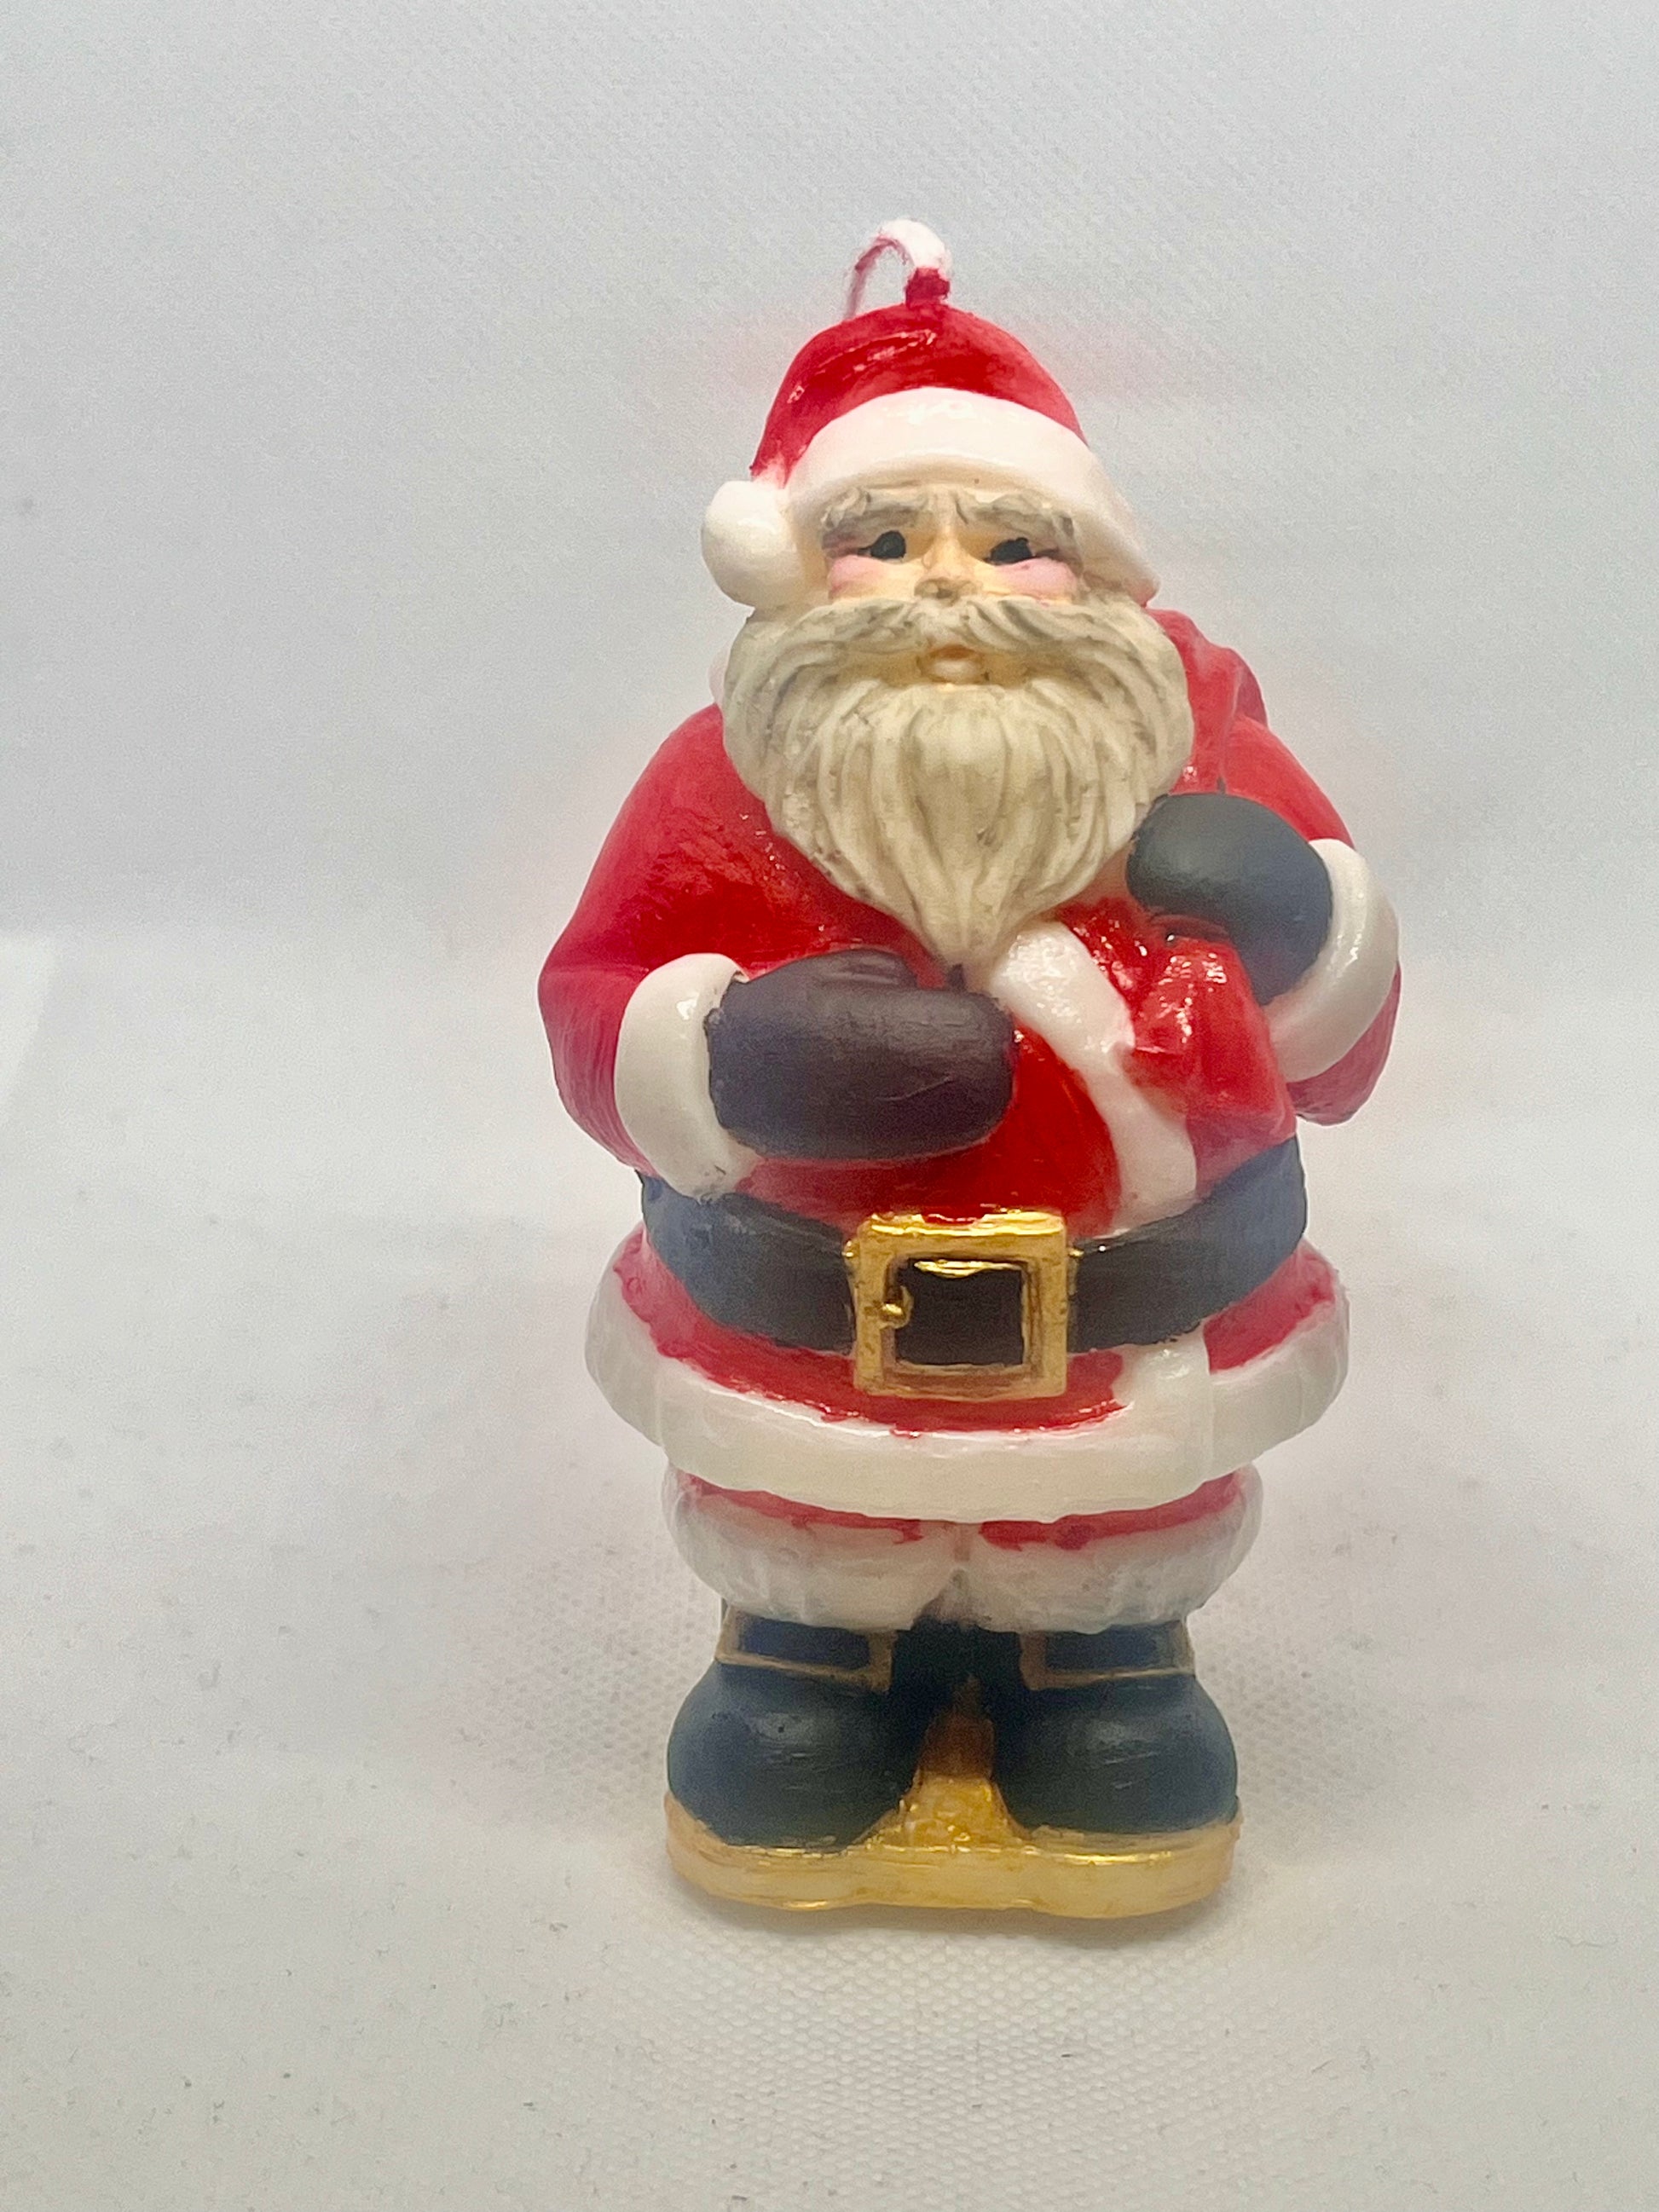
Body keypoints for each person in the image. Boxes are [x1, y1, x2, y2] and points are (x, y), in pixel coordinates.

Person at [540, 223, 1398, 1883]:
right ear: (801, 572)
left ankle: (1103, 1662)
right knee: (812, 1527)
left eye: (1012, 542)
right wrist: (717, 1060)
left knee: (1108, 1535)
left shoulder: (1210, 762)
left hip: (1129, 1328)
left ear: (1095, 575)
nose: (948, 580)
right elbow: (593, 998)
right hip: (806, 1328)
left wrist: (1303, 933)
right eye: (883, 538)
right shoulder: (715, 788)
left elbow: (1337, 1057)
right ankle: (806, 1659)